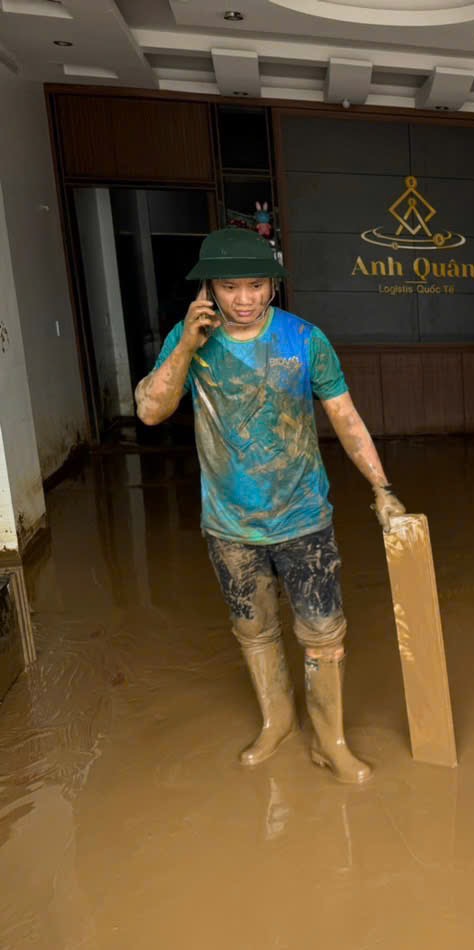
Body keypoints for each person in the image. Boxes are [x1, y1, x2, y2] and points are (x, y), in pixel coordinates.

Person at [135, 227, 407, 785]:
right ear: (208, 288)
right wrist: (185, 345)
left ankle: (329, 738)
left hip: (303, 516)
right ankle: (277, 720)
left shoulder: (305, 340)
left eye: (255, 285)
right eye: (229, 286)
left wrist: (382, 487)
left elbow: (346, 417)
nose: (243, 299)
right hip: (230, 523)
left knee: (324, 629)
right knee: (254, 628)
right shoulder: (189, 339)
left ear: (273, 287)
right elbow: (150, 411)